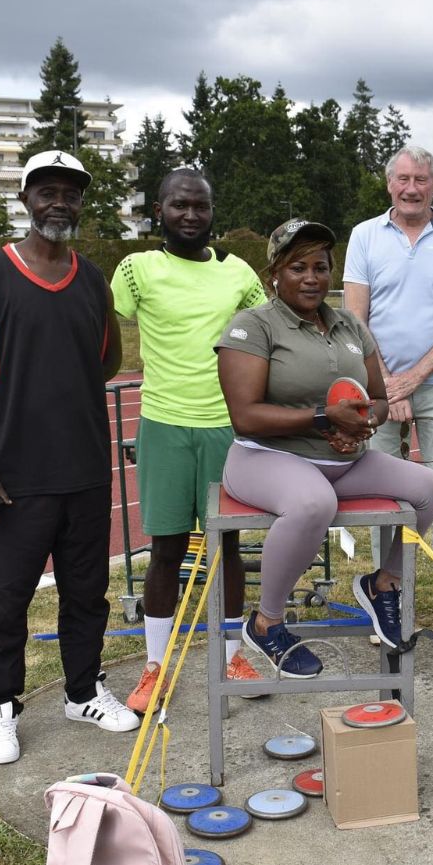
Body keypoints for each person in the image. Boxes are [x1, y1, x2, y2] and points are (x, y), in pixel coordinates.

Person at [0, 149, 137, 765]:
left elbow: (108, 358)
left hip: (85, 468)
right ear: (27, 197)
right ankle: (0, 708)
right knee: (7, 598)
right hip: (12, 474)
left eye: (70, 192)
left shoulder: (92, 279)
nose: (59, 201)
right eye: (47, 190)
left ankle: (83, 691)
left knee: (86, 592)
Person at [216, 218, 433, 676]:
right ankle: (266, 623)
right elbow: (245, 415)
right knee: (312, 504)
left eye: (320, 267)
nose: (310, 277)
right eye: (297, 267)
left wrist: (360, 424)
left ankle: (382, 585)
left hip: (343, 459)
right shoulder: (253, 326)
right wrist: (323, 418)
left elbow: (379, 399)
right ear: (274, 275)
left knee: (430, 487)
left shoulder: (349, 325)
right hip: (265, 457)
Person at [110, 169, 268, 711]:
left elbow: (269, 334)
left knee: (227, 547)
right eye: (180, 205)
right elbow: (102, 329)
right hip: (164, 423)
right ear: (159, 209)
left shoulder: (240, 274)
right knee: (166, 549)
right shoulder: (135, 271)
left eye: (200, 206)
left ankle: (230, 658)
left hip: (227, 427)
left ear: (211, 212)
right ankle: (155, 666)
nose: (191, 215)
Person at [342, 146, 433, 651]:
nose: (411, 187)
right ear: (389, 185)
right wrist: (387, 384)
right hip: (378, 388)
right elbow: (355, 320)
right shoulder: (364, 236)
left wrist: (414, 379)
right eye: (402, 178)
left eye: (421, 179)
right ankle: (390, 597)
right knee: (383, 499)